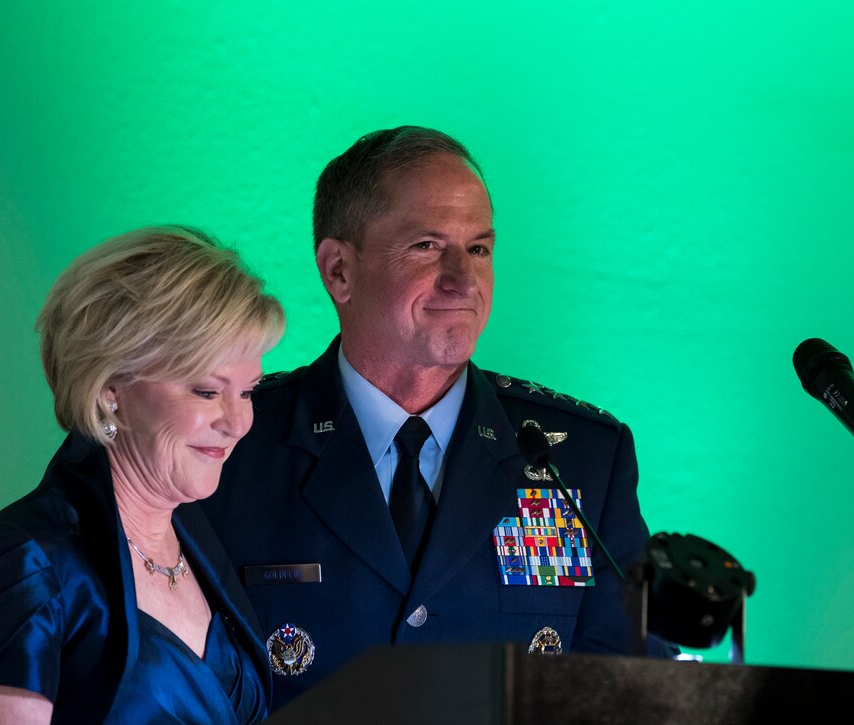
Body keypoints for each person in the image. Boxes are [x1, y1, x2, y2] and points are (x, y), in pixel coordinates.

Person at [199, 126, 668, 709]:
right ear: (339, 270)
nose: (464, 280)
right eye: (426, 246)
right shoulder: (229, 440)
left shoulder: (582, 459)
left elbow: (635, 692)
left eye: (479, 249)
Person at [0, 226, 284, 724]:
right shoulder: (18, 567)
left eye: (247, 392)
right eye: (206, 391)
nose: (238, 422)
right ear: (111, 388)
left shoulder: (200, 538)